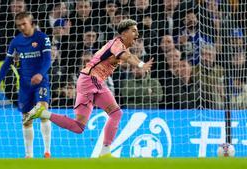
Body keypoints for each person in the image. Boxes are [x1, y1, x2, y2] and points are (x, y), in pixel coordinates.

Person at [22, 19, 153, 157]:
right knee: (116, 113)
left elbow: (128, 55)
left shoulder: (119, 45)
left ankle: (42, 113)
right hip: (92, 79)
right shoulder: (117, 43)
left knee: (78, 127)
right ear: (124, 33)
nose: (137, 34)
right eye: (134, 31)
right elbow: (126, 56)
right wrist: (140, 65)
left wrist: (140, 64)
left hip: (87, 80)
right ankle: (105, 152)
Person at [0, 12, 51, 158]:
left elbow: (48, 60)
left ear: (31, 22)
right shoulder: (16, 42)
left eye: (24, 24)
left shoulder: (42, 38)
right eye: (19, 25)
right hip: (25, 85)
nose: (22, 27)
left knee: (43, 111)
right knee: (26, 120)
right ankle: (29, 155)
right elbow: (7, 63)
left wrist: (40, 74)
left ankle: (47, 151)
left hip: (40, 81)